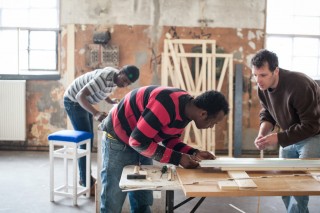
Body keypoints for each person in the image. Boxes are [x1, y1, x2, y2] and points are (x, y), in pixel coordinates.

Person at [99, 85, 229, 213]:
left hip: (143, 141)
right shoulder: (166, 103)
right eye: (214, 122)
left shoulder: (186, 110)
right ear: (203, 113)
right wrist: (178, 158)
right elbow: (137, 141)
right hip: (119, 139)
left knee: (142, 200)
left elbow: (169, 140)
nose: (212, 127)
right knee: (113, 201)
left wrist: (194, 152)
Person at [251, 49, 320, 213]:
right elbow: (268, 113)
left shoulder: (299, 85)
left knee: (299, 183)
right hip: (290, 135)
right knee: (284, 183)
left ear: (276, 70)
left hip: (314, 135)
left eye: (263, 75)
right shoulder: (263, 88)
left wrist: (278, 138)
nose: (258, 81)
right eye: (255, 75)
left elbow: (312, 125)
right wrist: (262, 133)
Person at [63, 65, 140, 195]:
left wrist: (110, 101)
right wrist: (96, 113)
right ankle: (85, 180)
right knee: (85, 140)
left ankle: (85, 177)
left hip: (83, 101)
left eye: (128, 83)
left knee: (89, 138)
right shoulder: (104, 78)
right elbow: (80, 96)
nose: (124, 84)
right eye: (124, 80)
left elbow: (102, 90)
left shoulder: (116, 79)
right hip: (74, 102)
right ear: (120, 72)